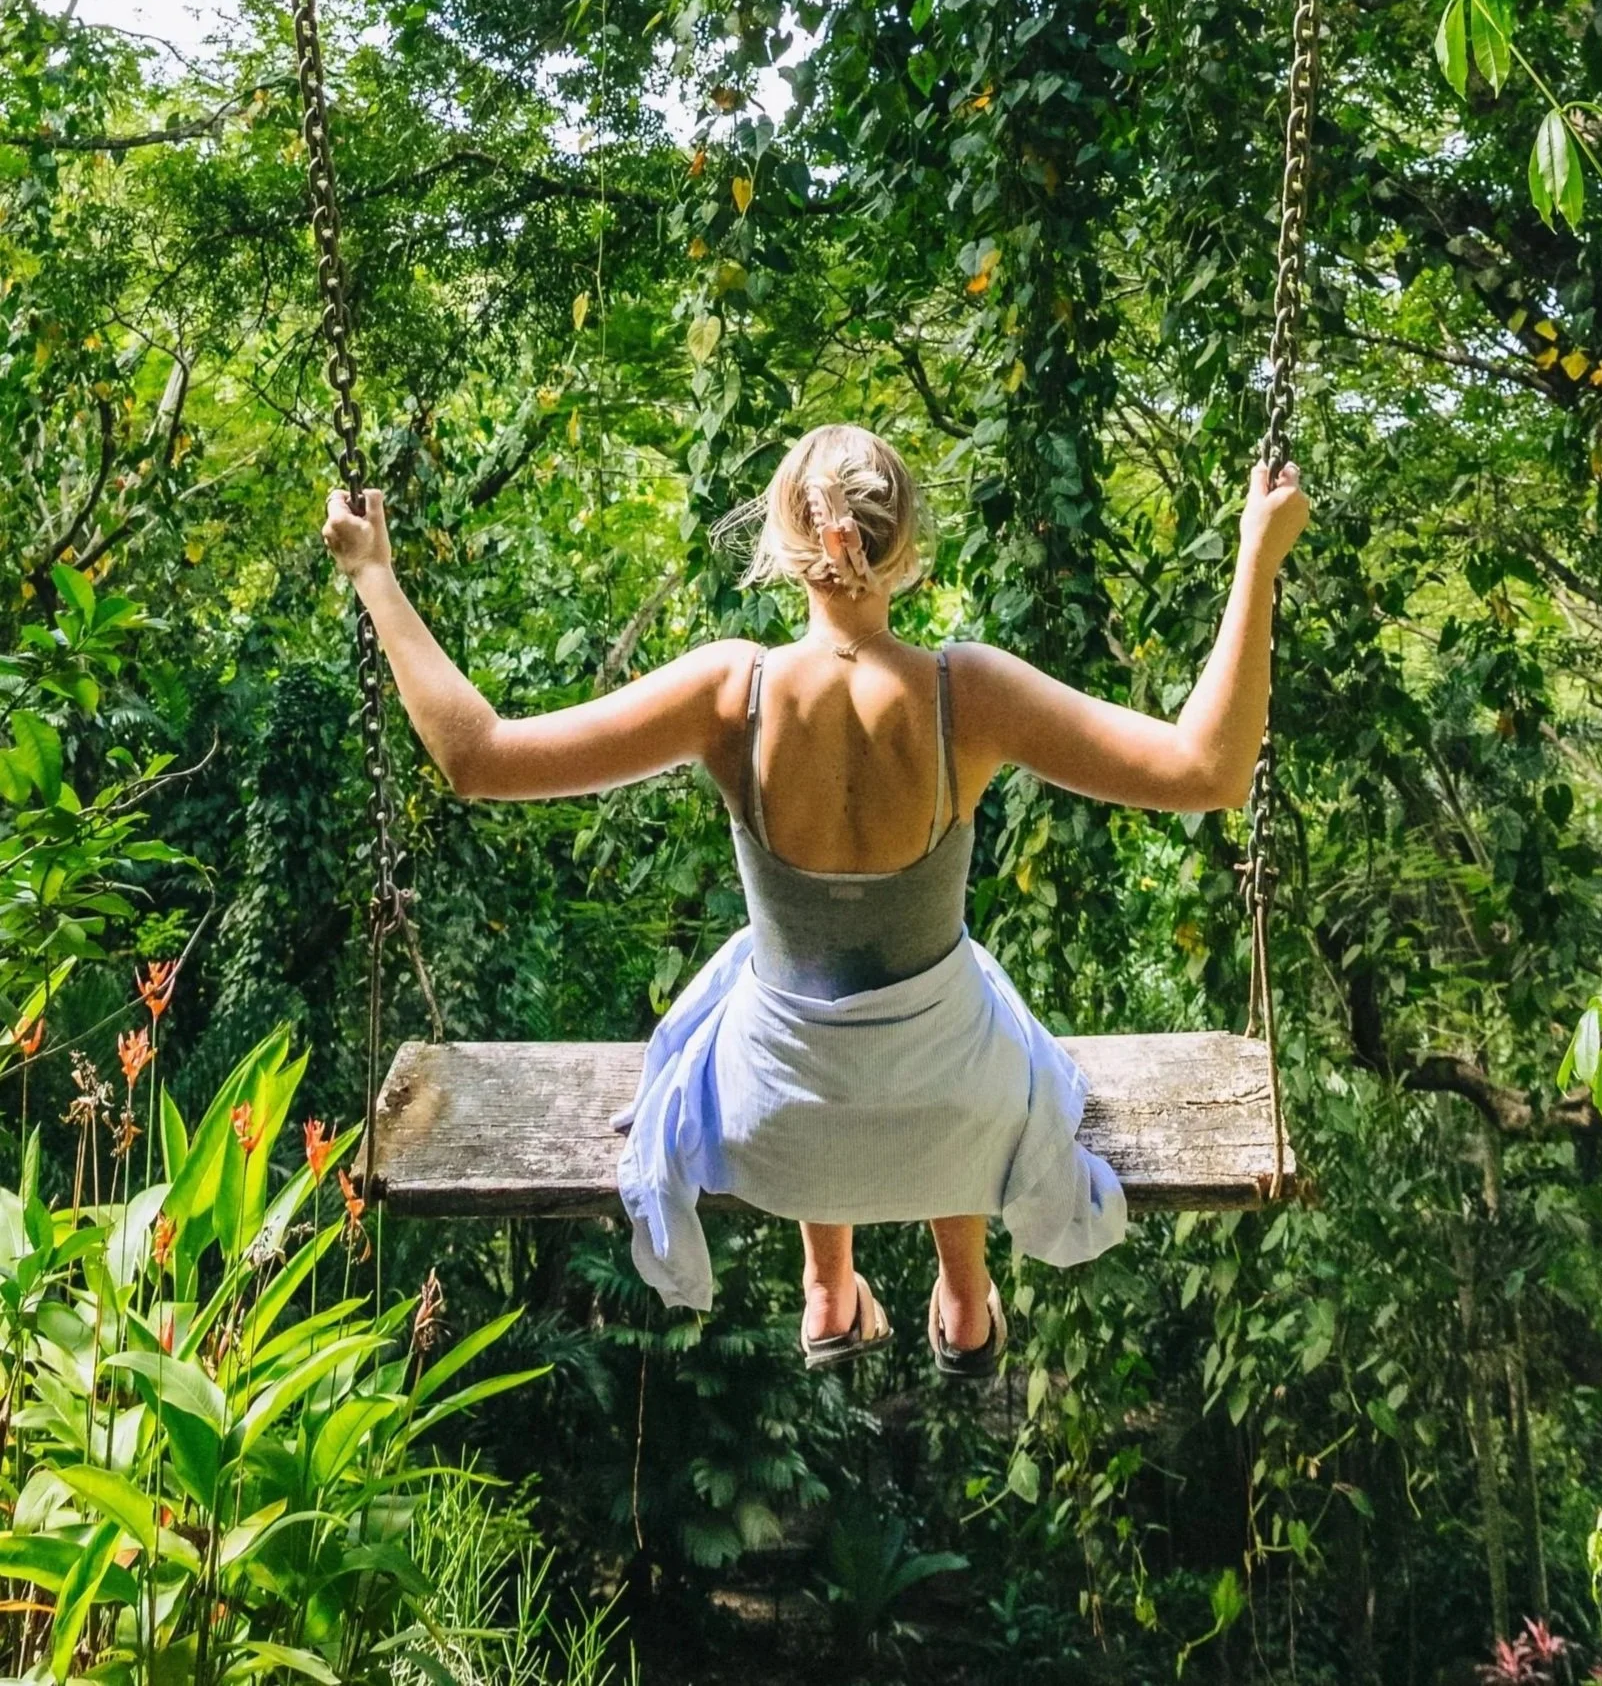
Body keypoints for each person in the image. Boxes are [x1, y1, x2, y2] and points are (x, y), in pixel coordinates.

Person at [323, 423, 1307, 1379]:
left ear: (786, 547)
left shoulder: (730, 691)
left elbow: (477, 757)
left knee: (768, 986)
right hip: (954, 1120)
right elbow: (1207, 771)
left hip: (776, 1130)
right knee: (961, 999)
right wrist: (1256, 561)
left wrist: (375, 574)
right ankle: (964, 1297)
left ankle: (826, 1286)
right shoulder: (969, 694)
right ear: (907, 548)